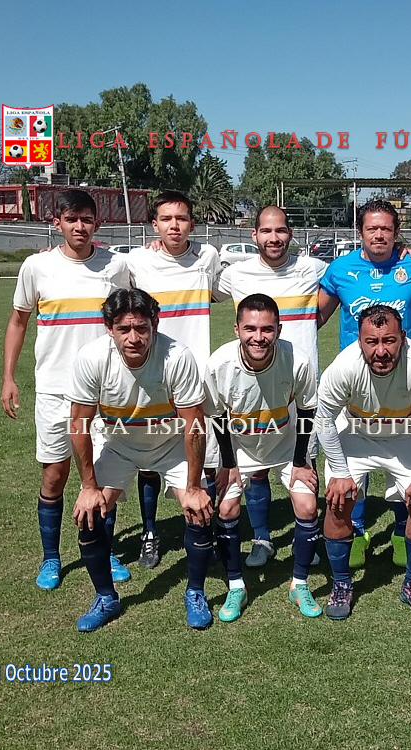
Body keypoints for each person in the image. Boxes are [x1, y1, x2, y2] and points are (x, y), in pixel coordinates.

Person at [1, 189, 132, 592]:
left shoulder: (116, 266)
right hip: (55, 390)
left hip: (106, 392)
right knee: (55, 475)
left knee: (103, 477)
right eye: (71, 219)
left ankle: (103, 549)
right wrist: (8, 377)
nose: (79, 226)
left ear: (97, 223)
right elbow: (18, 321)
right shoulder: (37, 267)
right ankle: (51, 557)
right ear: (57, 222)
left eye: (86, 219)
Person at [67, 288, 213, 631]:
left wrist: (193, 487)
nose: (134, 338)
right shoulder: (92, 358)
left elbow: (195, 425)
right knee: (90, 515)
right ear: (109, 328)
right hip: (119, 445)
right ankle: (106, 597)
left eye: (141, 328)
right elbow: (78, 425)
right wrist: (88, 487)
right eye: (124, 329)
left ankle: (195, 592)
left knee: (199, 511)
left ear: (155, 325)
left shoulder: (177, 357)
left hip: (171, 444)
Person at [318, 199, 411, 569]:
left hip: (402, 379)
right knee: (352, 463)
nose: (379, 234)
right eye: (371, 228)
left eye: (386, 228)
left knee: (404, 459)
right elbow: (313, 318)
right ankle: (357, 530)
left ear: (396, 232)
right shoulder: (341, 268)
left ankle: (401, 531)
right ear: (360, 232)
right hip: (355, 384)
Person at [214, 206, 327, 568]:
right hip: (250, 383)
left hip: (297, 384)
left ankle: (308, 537)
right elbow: (195, 283)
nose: (274, 238)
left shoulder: (313, 268)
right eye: (266, 230)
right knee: (257, 468)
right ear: (254, 235)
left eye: (280, 230)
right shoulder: (236, 274)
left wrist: (401, 250)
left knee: (305, 463)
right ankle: (262, 538)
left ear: (290, 233)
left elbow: (348, 275)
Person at [317, 305, 411, 620]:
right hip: (356, 433)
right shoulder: (344, 366)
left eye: (389, 340)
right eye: (372, 341)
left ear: (403, 337)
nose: (381, 351)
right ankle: (341, 584)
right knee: (338, 499)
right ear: (359, 341)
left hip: (405, 436)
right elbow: (324, 420)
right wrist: (341, 473)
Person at [206, 294, 323, 619]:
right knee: (226, 508)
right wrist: (228, 464)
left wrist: (300, 461)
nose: (258, 337)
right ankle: (236, 587)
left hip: (285, 446)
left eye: (267, 329)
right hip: (240, 449)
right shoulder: (219, 364)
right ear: (237, 330)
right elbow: (217, 415)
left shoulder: (297, 360)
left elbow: (307, 410)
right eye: (250, 329)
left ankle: (299, 584)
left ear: (279, 330)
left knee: (307, 505)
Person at [125, 190, 222, 568]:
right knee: (149, 460)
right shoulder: (137, 261)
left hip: (197, 374)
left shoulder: (207, 256)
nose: (174, 226)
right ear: (155, 225)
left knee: (206, 458)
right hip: (153, 375)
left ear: (192, 224)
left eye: (181, 218)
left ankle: (207, 529)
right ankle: (149, 533)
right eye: (166, 219)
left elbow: (222, 288)